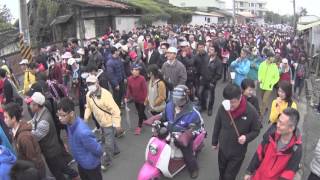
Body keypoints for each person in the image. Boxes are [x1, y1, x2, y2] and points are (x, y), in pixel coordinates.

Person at [212, 83, 261, 180]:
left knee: (229, 176)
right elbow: (217, 124)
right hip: (223, 148)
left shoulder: (251, 111)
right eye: (228, 101)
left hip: (238, 152)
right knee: (222, 171)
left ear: (240, 97)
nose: (230, 105)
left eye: (233, 102)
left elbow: (256, 130)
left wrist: (246, 137)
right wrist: (214, 141)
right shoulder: (224, 107)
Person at [28, 92, 79, 180]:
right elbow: (33, 121)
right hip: (52, 150)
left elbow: (35, 137)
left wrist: (23, 129)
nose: (29, 106)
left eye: (32, 104)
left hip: (51, 152)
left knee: (57, 172)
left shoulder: (44, 121)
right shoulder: (41, 111)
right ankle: (75, 175)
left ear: (37, 105)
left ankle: (75, 175)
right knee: (61, 167)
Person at [244, 108, 302, 180]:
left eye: (281, 123)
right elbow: (259, 154)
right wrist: (249, 171)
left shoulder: (296, 149)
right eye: (278, 121)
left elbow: (288, 174)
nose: (277, 125)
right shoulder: (271, 135)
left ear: (291, 128)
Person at [161, 85, 203, 179]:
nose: (176, 103)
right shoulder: (169, 105)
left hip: (183, 137)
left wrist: (187, 135)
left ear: (185, 97)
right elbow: (163, 117)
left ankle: (194, 169)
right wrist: (158, 122)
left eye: (179, 101)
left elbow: (199, 127)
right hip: (169, 132)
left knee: (188, 154)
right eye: (175, 100)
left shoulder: (193, 112)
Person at [57, 98, 103, 180]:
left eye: (63, 115)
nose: (60, 118)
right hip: (81, 163)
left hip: (91, 166)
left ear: (71, 113)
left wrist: (93, 161)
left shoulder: (82, 132)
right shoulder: (69, 124)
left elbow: (98, 149)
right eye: (58, 115)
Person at [84, 75, 122, 171]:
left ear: (97, 83)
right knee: (106, 138)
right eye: (88, 84)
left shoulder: (106, 94)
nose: (90, 86)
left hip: (109, 122)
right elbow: (88, 107)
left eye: (91, 83)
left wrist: (117, 124)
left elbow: (115, 110)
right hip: (101, 122)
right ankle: (116, 150)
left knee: (108, 144)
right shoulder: (89, 95)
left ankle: (106, 162)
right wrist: (85, 118)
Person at [3, 102, 45, 178]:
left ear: (14, 118)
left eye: (6, 117)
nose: (4, 120)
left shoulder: (24, 137)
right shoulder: (15, 130)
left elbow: (33, 160)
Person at [197, 45, 223, 116]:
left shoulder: (218, 62)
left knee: (211, 96)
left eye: (212, 50)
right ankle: (203, 106)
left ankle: (210, 108)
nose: (209, 51)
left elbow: (219, 74)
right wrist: (201, 75)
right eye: (209, 49)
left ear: (216, 52)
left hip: (211, 82)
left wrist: (213, 81)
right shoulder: (206, 58)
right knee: (200, 93)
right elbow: (203, 67)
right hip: (203, 80)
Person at [125, 64, 148, 135]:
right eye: (136, 69)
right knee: (139, 111)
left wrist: (146, 99)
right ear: (132, 71)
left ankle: (139, 126)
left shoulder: (142, 78)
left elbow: (145, 90)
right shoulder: (129, 79)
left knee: (140, 113)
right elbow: (129, 89)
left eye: (138, 70)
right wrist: (126, 97)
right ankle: (146, 119)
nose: (138, 71)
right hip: (135, 99)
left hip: (142, 99)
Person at [258, 50, 280, 116]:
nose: (273, 58)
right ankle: (266, 107)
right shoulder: (262, 64)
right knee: (262, 98)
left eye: (273, 57)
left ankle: (261, 115)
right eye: (272, 57)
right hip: (262, 85)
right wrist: (260, 79)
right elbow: (259, 72)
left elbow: (277, 77)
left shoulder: (274, 66)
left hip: (269, 87)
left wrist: (272, 83)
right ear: (268, 57)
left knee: (264, 101)